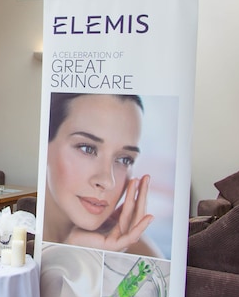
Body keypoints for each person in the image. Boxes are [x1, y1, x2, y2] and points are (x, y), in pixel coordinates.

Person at [43, 92, 158, 256]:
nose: (107, 181)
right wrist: (71, 252)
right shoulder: (14, 237)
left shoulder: (143, 258)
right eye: (87, 149)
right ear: (45, 146)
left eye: (124, 159)